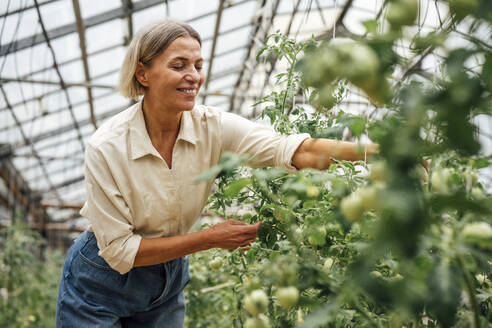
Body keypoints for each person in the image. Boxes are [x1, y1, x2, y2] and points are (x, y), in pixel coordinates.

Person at [55, 19, 378, 327]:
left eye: (198, 65)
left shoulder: (212, 126)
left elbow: (299, 150)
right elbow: (120, 251)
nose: (193, 76)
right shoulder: (108, 146)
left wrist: (379, 153)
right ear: (143, 74)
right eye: (178, 65)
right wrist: (209, 239)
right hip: (101, 282)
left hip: (167, 277)